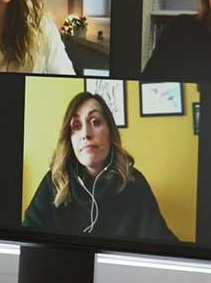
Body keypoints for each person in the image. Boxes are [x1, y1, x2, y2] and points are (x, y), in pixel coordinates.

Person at [22, 92, 178, 240]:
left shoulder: (134, 182)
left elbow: (160, 241)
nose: (86, 134)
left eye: (95, 122)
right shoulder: (55, 181)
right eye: (76, 126)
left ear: (110, 132)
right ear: (69, 139)